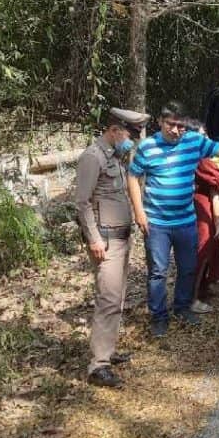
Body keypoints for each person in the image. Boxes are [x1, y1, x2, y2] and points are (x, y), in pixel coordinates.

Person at [127, 101, 219, 337]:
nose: (176, 130)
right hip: (157, 224)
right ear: (160, 121)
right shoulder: (147, 147)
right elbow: (133, 176)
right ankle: (159, 317)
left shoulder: (194, 142)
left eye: (180, 126)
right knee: (158, 272)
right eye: (170, 124)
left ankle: (182, 307)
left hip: (186, 221)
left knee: (188, 268)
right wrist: (139, 212)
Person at [75, 107, 151, 388]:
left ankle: (107, 350)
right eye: (129, 136)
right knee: (107, 299)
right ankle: (98, 366)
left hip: (120, 238)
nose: (131, 141)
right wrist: (94, 238)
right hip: (105, 241)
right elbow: (82, 203)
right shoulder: (92, 157)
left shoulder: (115, 157)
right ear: (115, 130)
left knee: (116, 299)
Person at [190, 155, 219, 314]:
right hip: (200, 207)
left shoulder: (203, 158)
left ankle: (202, 288)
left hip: (204, 207)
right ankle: (192, 298)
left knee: (209, 248)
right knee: (203, 251)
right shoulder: (200, 158)